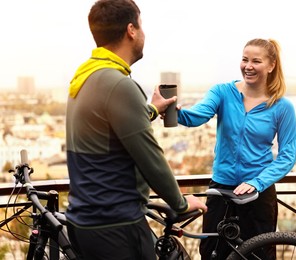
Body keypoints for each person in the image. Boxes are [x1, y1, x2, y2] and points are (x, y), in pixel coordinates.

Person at [65, 1, 207, 259]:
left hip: (86, 220)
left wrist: (151, 109)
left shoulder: (87, 76)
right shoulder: (118, 84)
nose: (143, 34)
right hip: (116, 225)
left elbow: (114, 130)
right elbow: (150, 157)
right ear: (131, 30)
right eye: (141, 26)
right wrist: (181, 203)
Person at [177, 38, 296, 259]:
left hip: (258, 194)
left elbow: (288, 155)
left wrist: (256, 182)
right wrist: (172, 112)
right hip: (221, 189)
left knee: (258, 255)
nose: (248, 66)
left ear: (271, 66)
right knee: (212, 253)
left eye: (256, 61)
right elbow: (198, 116)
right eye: (244, 60)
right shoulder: (222, 92)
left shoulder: (282, 106)